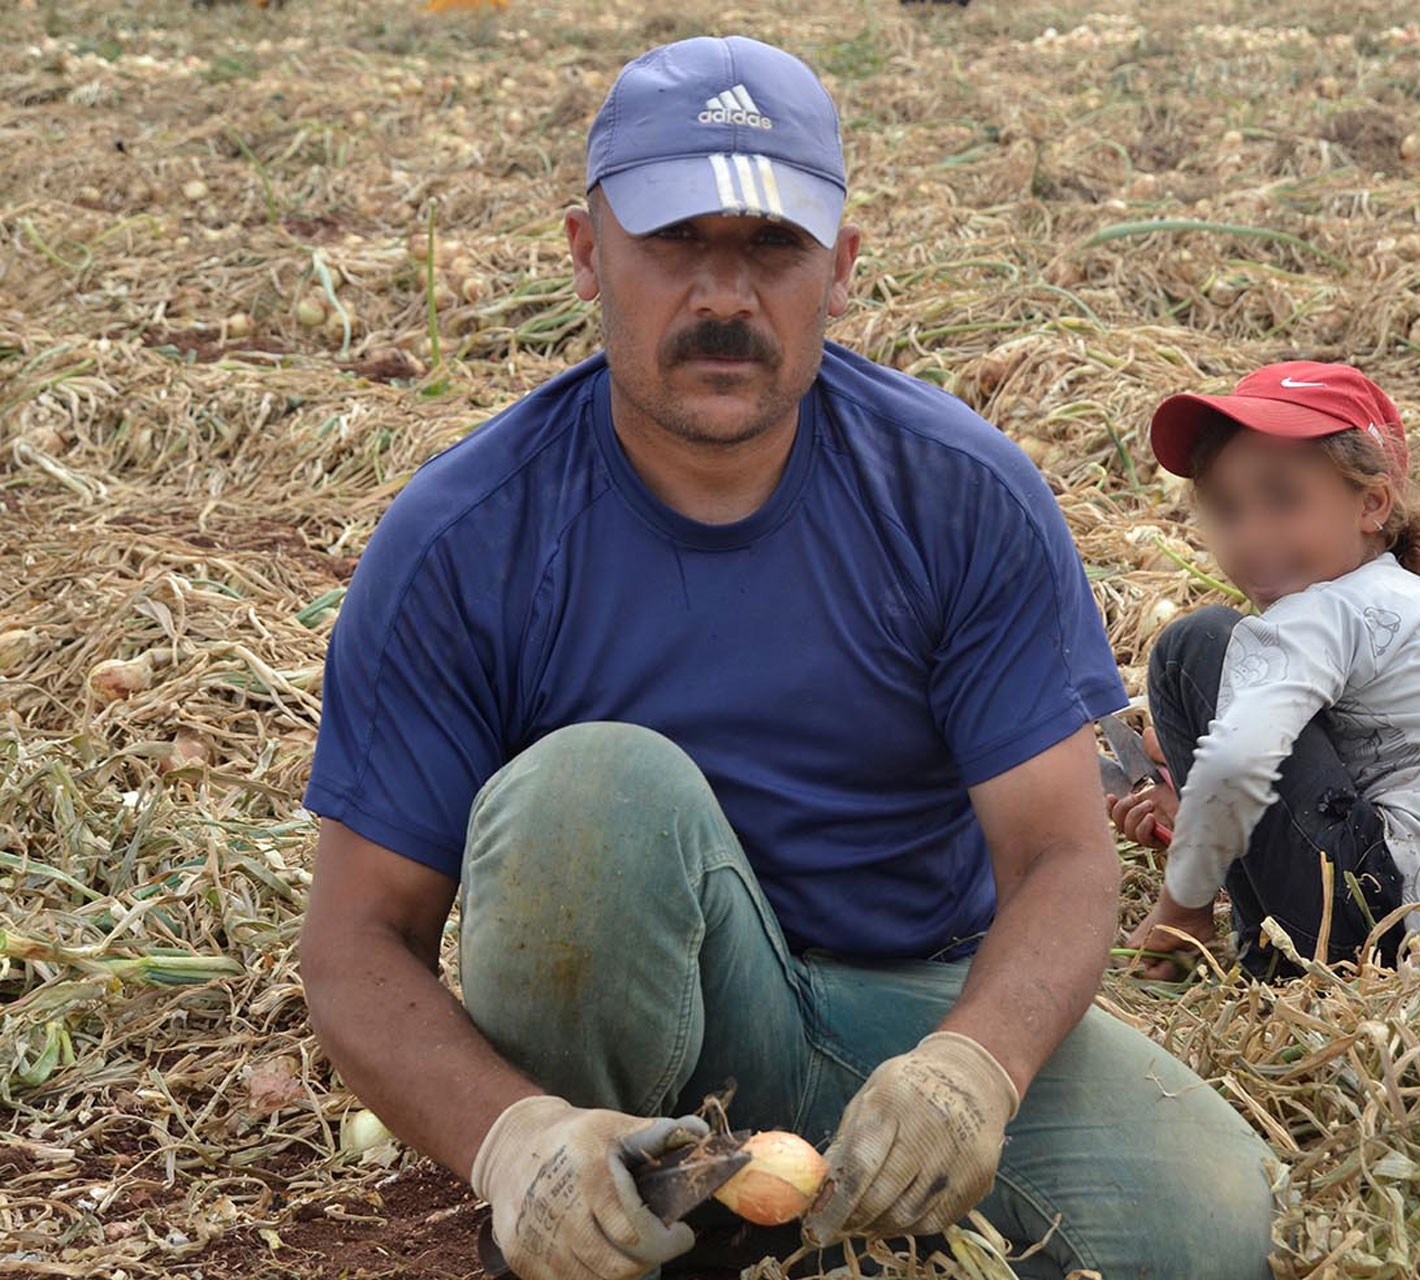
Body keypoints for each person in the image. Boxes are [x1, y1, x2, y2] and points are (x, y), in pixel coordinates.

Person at [297, 33, 1276, 1280]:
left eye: (770, 249)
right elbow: (356, 940)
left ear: (842, 268)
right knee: (588, 792)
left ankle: (803, 1209)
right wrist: (512, 1138)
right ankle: (603, 1214)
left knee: (1199, 1223)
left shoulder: (959, 494)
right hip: (620, 1052)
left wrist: (975, 1067)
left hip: (895, 1016)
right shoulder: (464, 539)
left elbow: (1062, 855)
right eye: (673, 244)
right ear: (588, 253)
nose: (723, 298)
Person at [1109, 361, 1420, 980]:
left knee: (1196, 645)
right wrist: (1192, 807)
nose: (1252, 536)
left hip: (1404, 934)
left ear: (1371, 503)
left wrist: (1180, 909)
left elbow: (1238, 764)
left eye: (1283, 498)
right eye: (1228, 510)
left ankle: (1276, 964)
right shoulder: (1419, 601)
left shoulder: (1323, 612)